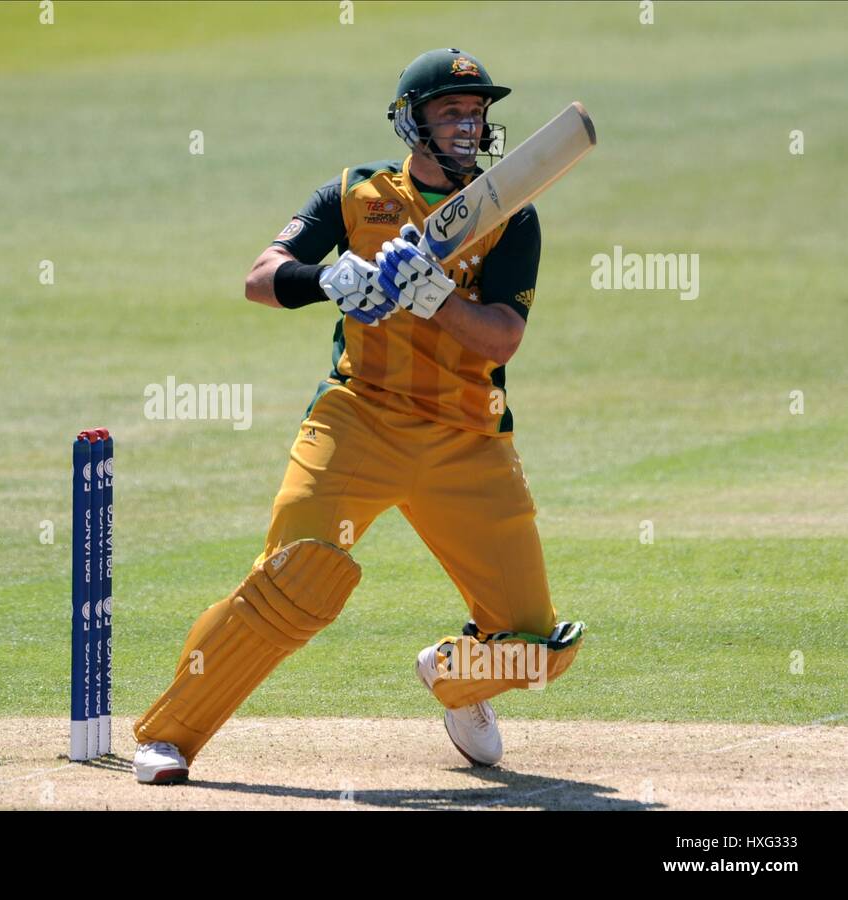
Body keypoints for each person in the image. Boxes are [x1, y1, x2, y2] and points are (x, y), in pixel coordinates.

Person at [132, 49, 585, 783]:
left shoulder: (510, 215)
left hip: (468, 440)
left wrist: (436, 296)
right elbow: (259, 279)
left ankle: (453, 678)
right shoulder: (355, 195)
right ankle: (171, 736)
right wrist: (331, 279)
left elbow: (503, 336)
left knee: (538, 647)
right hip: (358, 421)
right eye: (451, 112)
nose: (469, 126)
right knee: (294, 577)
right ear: (413, 121)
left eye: (477, 113)